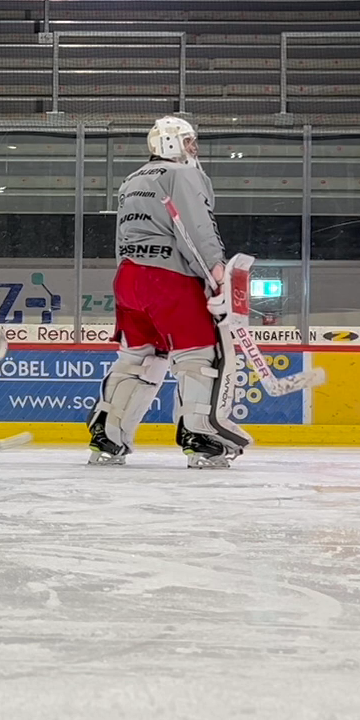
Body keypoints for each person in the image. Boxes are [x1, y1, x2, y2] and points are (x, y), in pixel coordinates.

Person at [87, 115, 250, 469]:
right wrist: (217, 273)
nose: (194, 148)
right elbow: (196, 228)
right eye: (189, 141)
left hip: (129, 279)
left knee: (138, 360)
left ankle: (107, 437)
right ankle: (200, 436)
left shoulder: (131, 180)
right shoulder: (185, 175)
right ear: (174, 143)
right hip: (170, 279)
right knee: (196, 359)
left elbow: (122, 238)